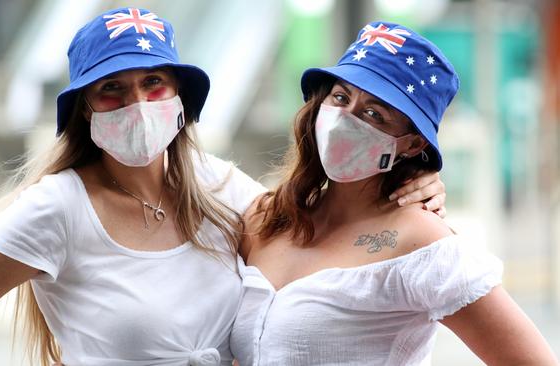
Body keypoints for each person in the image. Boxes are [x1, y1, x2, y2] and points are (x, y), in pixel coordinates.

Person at [0, 9, 446, 366]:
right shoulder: (57, 206)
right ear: (84, 109)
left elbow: (326, 228)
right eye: (111, 90)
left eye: (152, 83)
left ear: (179, 96)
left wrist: (414, 188)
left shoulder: (222, 190)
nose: (137, 104)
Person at [230, 21, 559, 366]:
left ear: (413, 143)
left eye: (374, 114)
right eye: (340, 97)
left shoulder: (422, 242)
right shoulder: (267, 217)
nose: (345, 119)